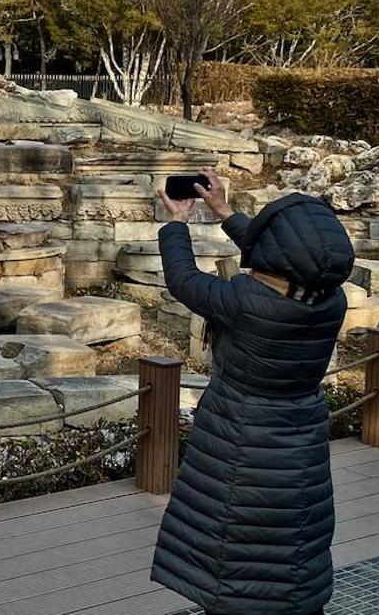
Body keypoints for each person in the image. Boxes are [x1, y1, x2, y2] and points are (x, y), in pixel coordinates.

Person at [150, 169, 354, 615]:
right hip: (301, 444)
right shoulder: (331, 300)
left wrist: (176, 222)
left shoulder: (246, 304)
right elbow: (290, 260)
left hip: (241, 444)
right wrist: (225, 212)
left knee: (235, 556)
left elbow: (184, 280)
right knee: (293, 550)